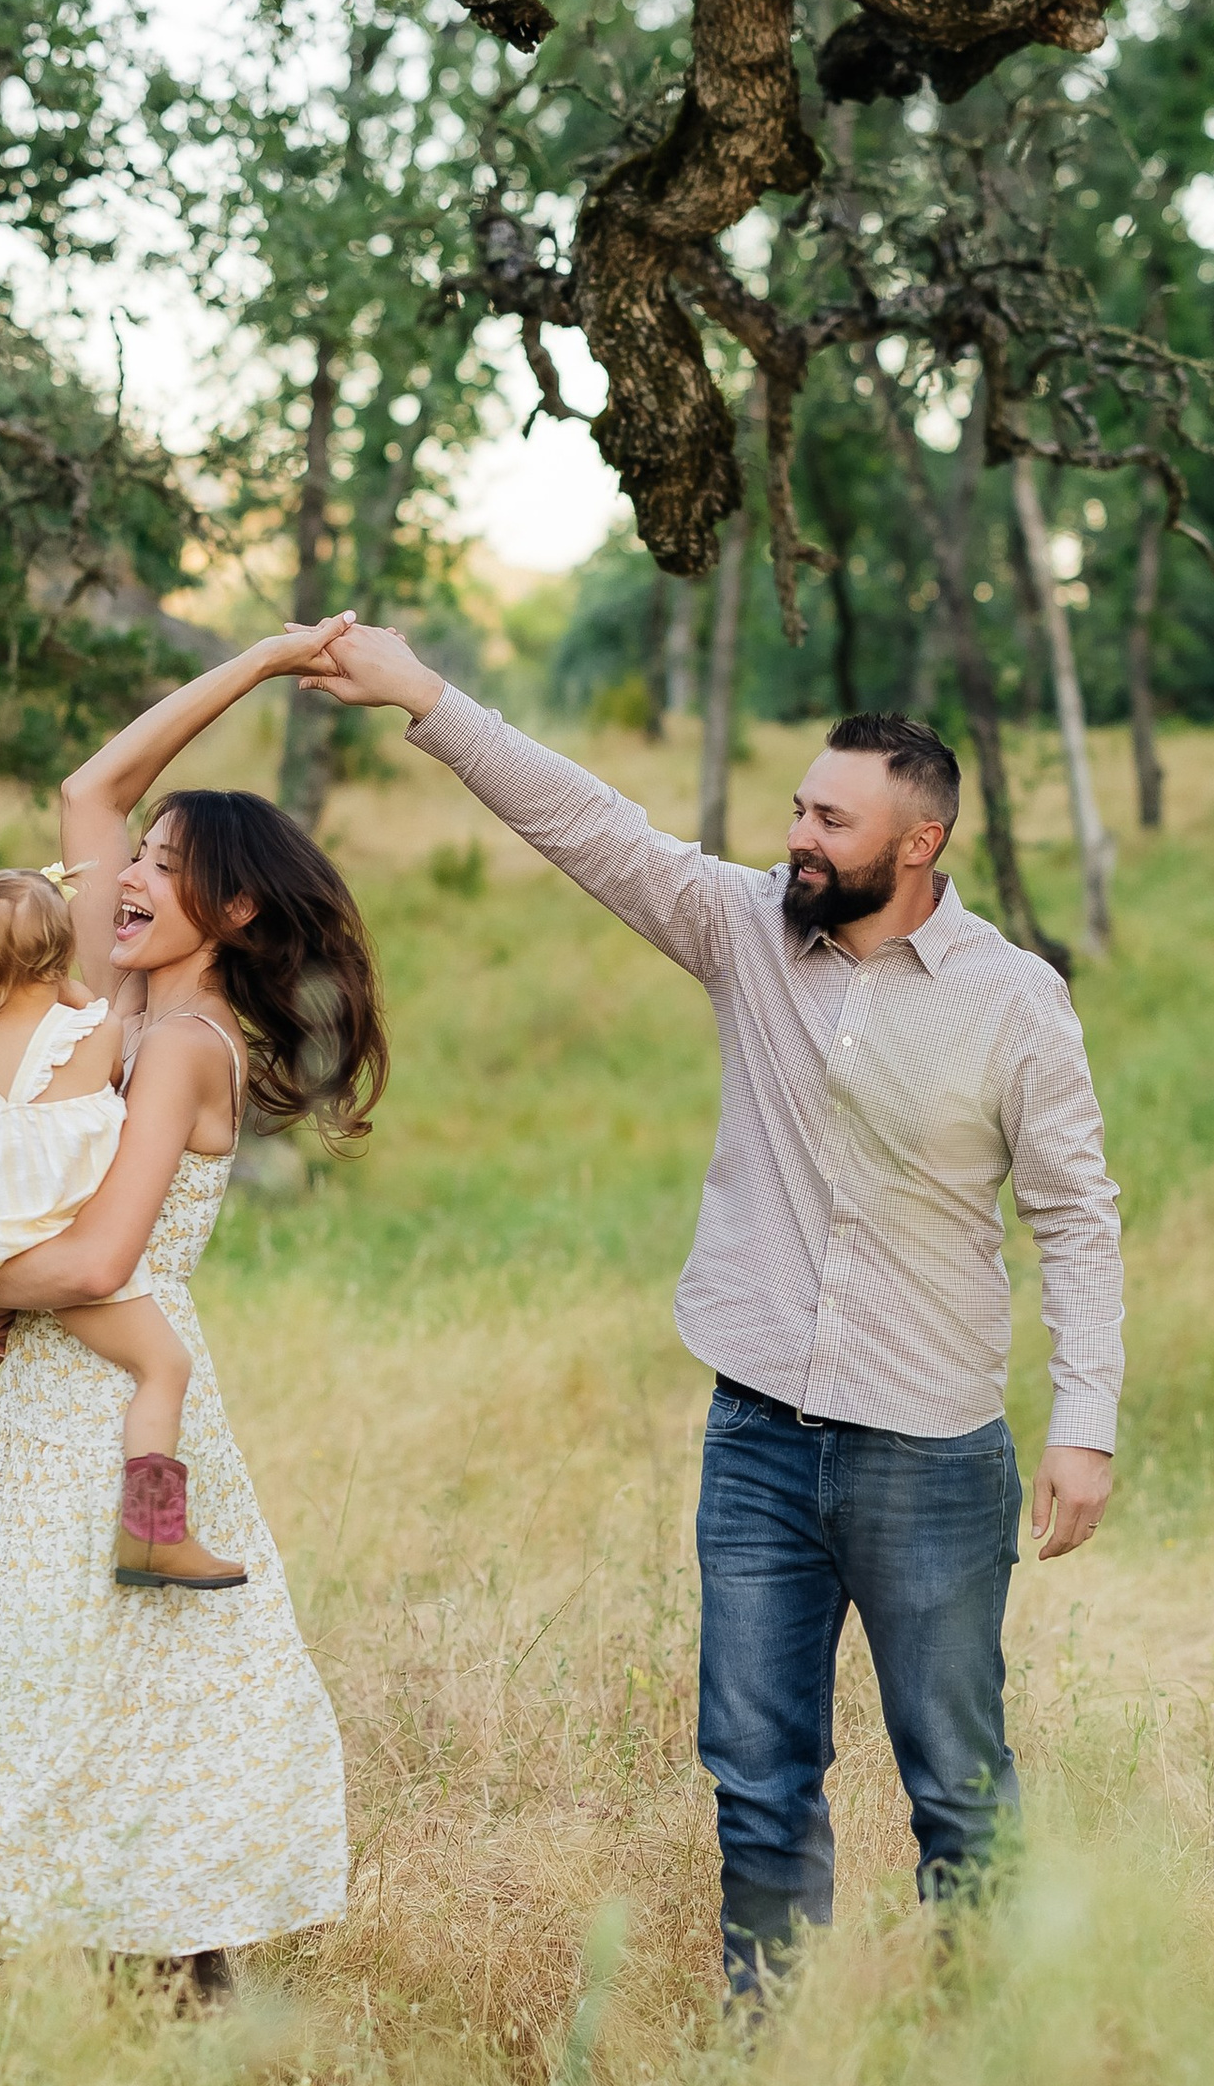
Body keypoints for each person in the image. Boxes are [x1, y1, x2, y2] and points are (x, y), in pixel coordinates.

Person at [297, 626, 1124, 1999]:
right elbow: (587, 822)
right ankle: (774, 2063)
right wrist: (424, 698)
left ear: (918, 846)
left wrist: (1083, 1424)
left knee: (959, 1787)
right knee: (755, 1776)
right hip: (756, 1438)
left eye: (829, 821)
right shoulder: (746, 930)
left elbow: (1078, 1220)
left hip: (926, 1450)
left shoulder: (1015, 1005)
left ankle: (990, 2075)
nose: (796, 837)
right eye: (797, 808)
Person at [0, 615, 384, 1989]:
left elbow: (94, 1262)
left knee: (131, 1685)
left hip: (112, 1388)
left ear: (237, 913)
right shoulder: (109, 994)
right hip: (43, 1396)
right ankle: (53, 1965)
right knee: (35, 1673)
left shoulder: (189, 1043)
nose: (127, 871)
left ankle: (184, 1979)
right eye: (135, 861)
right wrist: (256, 666)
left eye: (168, 869)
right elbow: (90, 787)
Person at [0, 859, 245, 1591]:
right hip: (65, 1245)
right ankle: (152, 1532)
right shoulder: (93, 1035)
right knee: (165, 1365)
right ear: (57, 961)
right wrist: (70, 986)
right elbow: (105, 1029)